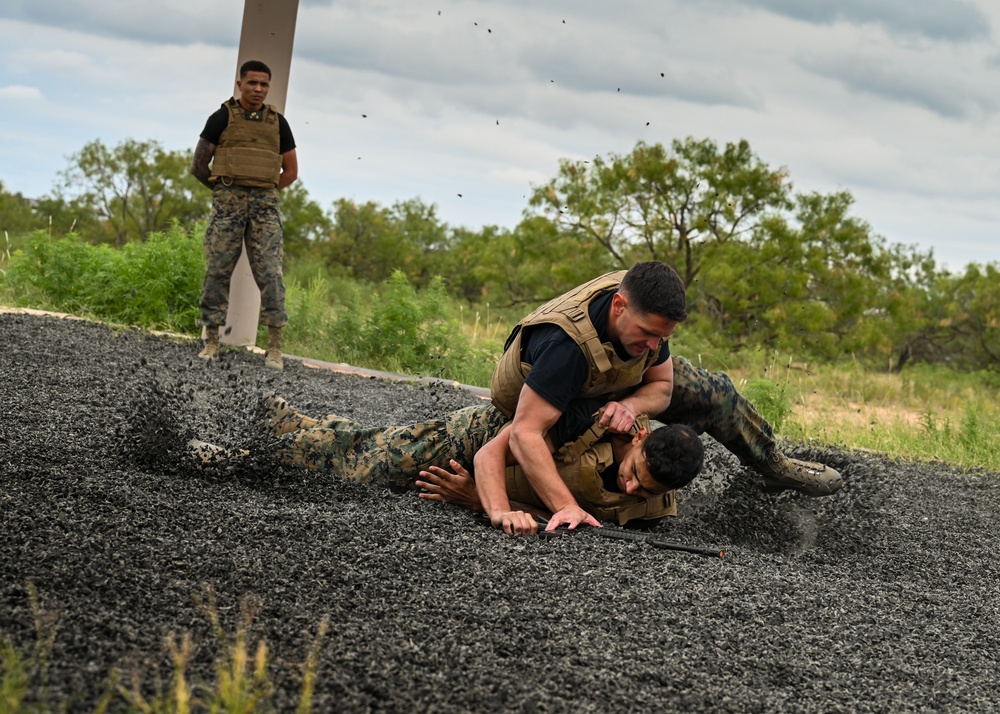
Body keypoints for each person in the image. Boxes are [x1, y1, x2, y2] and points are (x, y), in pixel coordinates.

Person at [489, 261, 843, 531]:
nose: (654, 347)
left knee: (717, 395)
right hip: (549, 391)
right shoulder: (564, 350)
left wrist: (630, 405)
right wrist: (565, 506)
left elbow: (662, 386)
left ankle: (773, 465)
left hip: (611, 382)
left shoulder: (650, 313)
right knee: (487, 448)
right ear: (618, 306)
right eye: (647, 335)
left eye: (662, 338)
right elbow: (525, 433)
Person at [188, 394, 705, 536]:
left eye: (645, 489)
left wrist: (476, 500)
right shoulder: (589, 420)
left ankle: (296, 423)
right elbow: (498, 450)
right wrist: (485, 502)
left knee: (376, 450)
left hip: (492, 482)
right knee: (374, 465)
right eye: (636, 469)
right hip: (483, 436)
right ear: (638, 436)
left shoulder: (655, 506)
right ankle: (244, 453)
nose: (632, 485)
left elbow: (566, 516)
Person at [190, 59, 298, 370]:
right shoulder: (222, 116)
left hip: (264, 209)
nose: (258, 89)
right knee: (217, 270)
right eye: (252, 83)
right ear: (240, 84)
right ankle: (212, 341)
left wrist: (262, 190)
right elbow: (199, 165)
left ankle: (274, 349)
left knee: (271, 276)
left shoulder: (278, 123)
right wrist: (225, 191)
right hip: (228, 206)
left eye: (264, 84)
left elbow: (290, 171)